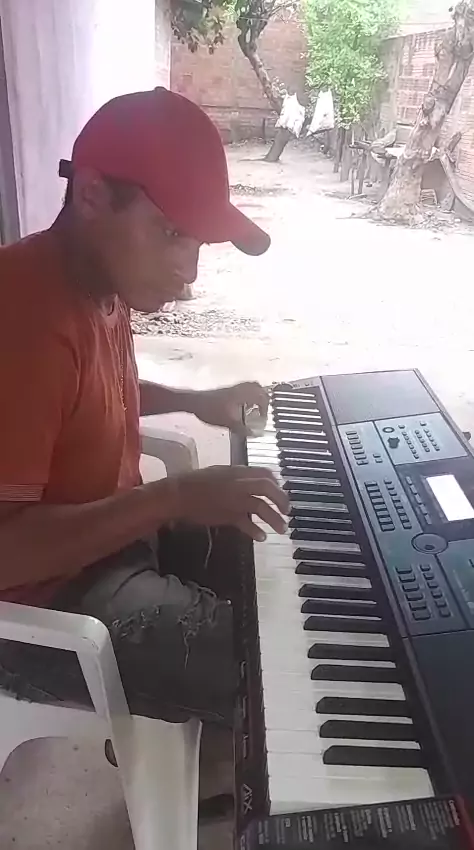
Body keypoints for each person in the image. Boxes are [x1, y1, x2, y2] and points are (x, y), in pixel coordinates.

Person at [0, 88, 288, 730]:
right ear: (92, 195)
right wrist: (171, 497)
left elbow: (91, 393)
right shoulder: (20, 318)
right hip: (37, 610)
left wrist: (196, 402)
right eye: (171, 233)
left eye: (198, 242)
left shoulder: (100, 282)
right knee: (278, 674)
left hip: (109, 546)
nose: (189, 272)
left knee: (287, 574)